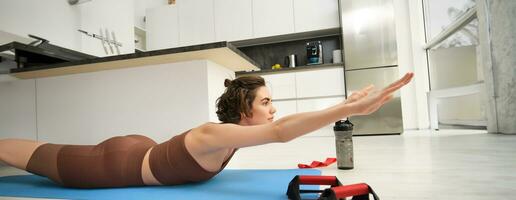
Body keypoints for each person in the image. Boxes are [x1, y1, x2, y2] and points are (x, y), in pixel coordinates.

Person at [0, 72, 414, 188]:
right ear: (243, 110)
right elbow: (283, 133)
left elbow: (281, 127)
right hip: (109, 166)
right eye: (266, 103)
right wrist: (348, 106)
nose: (273, 110)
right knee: (17, 150)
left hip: (144, 151)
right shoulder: (214, 135)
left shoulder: (229, 135)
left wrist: (349, 106)